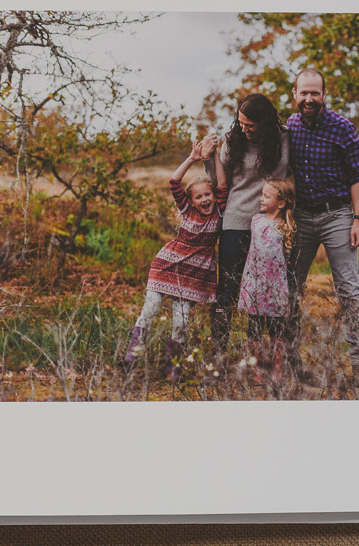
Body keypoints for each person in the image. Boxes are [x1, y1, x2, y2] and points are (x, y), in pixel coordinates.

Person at [283, 67, 359, 384]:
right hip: (302, 218)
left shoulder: (342, 128)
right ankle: (291, 364)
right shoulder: (290, 127)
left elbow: (358, 177)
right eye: (303, 93)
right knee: (290, 290)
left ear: (324, 95)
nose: (309, 99)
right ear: (295, 94)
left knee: (349, 292)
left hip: (337, 216)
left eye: (315, 93)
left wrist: (357, 220)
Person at [122, 134, 224, 379]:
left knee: (181, 321)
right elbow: (174, 181)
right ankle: (130, 358)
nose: (204, 199)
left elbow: (222, 185)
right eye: (198, 196)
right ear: (190, 201)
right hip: (167, 265)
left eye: (207, 195)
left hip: (194, 273)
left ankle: (173, 368)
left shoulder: (218, 211)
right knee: (151, 309)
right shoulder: (187, 211)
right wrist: (192, 158)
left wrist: (216, 154)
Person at [210, 93, 291, 364]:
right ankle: (218, 355)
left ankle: (274, 361)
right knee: (228, 289)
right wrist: (207, 160)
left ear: (265, 123)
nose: (243, 129)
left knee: (270, 292)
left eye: (250, 125)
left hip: (271, 225)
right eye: (240, 122)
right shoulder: (233, 139)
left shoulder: (285, 138)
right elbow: (220, 182)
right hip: (237, 221)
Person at [238, 178, 295, 380]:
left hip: (275, 287)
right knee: (254, 329)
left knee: (276, 330)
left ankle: (277, 371)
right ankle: (258, 371)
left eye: (266, 196)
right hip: (254, 284)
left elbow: (289, 260)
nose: (261, 199)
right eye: (262, 194)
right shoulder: (256, 220)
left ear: (281, 203)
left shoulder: (286, 228)